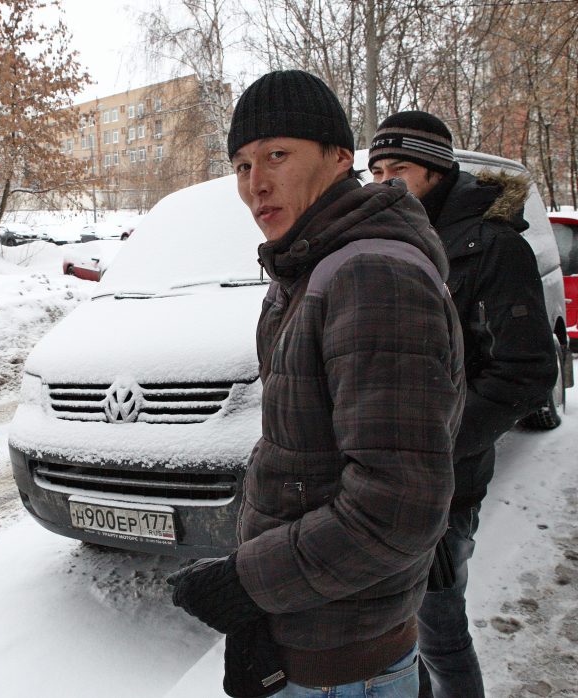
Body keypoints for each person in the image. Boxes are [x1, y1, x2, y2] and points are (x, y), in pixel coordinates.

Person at [167, 70, 466, 697]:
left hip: (345, 669)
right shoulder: (312, 265)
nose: (257, 185)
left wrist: (247, 581)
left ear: (339, 156)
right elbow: (305, 451)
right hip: (313, 636)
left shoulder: (371, 275)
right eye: (243, 166)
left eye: (278, 155)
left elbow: (398, 506)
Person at [369, 110, 558, 698]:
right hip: (389, 475)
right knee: (399, 630)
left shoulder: (494, 245)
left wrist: (435, 443)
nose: (383, 181)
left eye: (397, 167)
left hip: (448, 477)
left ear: (436, 168)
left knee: (440, 627)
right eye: (375, 170)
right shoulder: (392, 237)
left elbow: (526, 371)